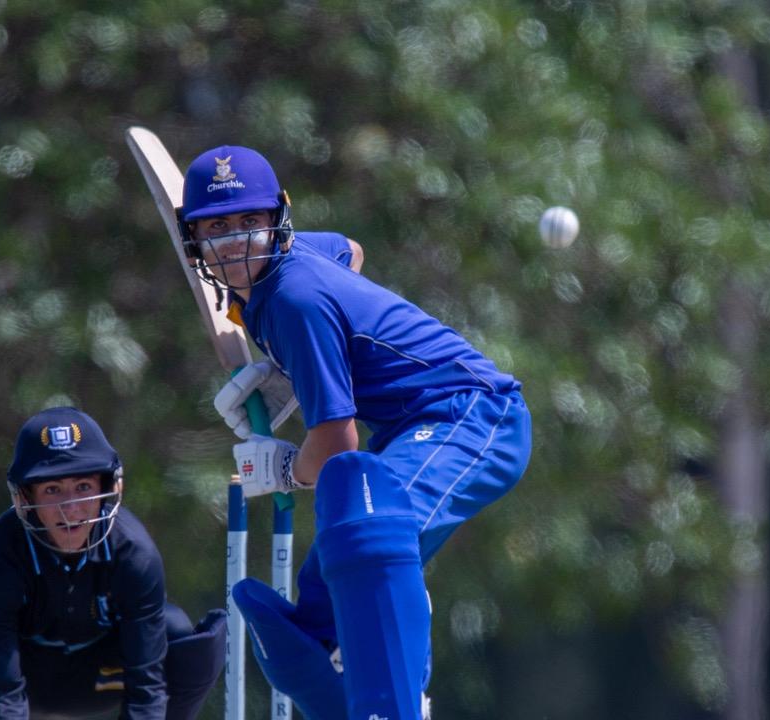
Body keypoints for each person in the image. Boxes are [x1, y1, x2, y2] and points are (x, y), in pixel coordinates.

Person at [178, 146, 532, 720]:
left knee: (371, 532)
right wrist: (305, 367)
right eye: (218, 226)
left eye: (251, 221)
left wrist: (285, 467)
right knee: (331, 581)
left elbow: (338, 454)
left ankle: (402, 704)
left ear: (278, 219)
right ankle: (336, 663)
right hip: (412, 429)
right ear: (192, 238)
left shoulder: (293, 300)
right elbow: (351, 249)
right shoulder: (290, 271)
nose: (237, 240)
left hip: (473, 417)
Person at [0, 406, 226, 720]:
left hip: (104, 676)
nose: (70, 508)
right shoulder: (1, 553)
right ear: (25, 497)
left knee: (181, 634)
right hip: (27, 676)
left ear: (106, 489)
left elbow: (147, 689)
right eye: (52, 489)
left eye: (83, 487)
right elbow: (3, 688)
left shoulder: (134, 554)